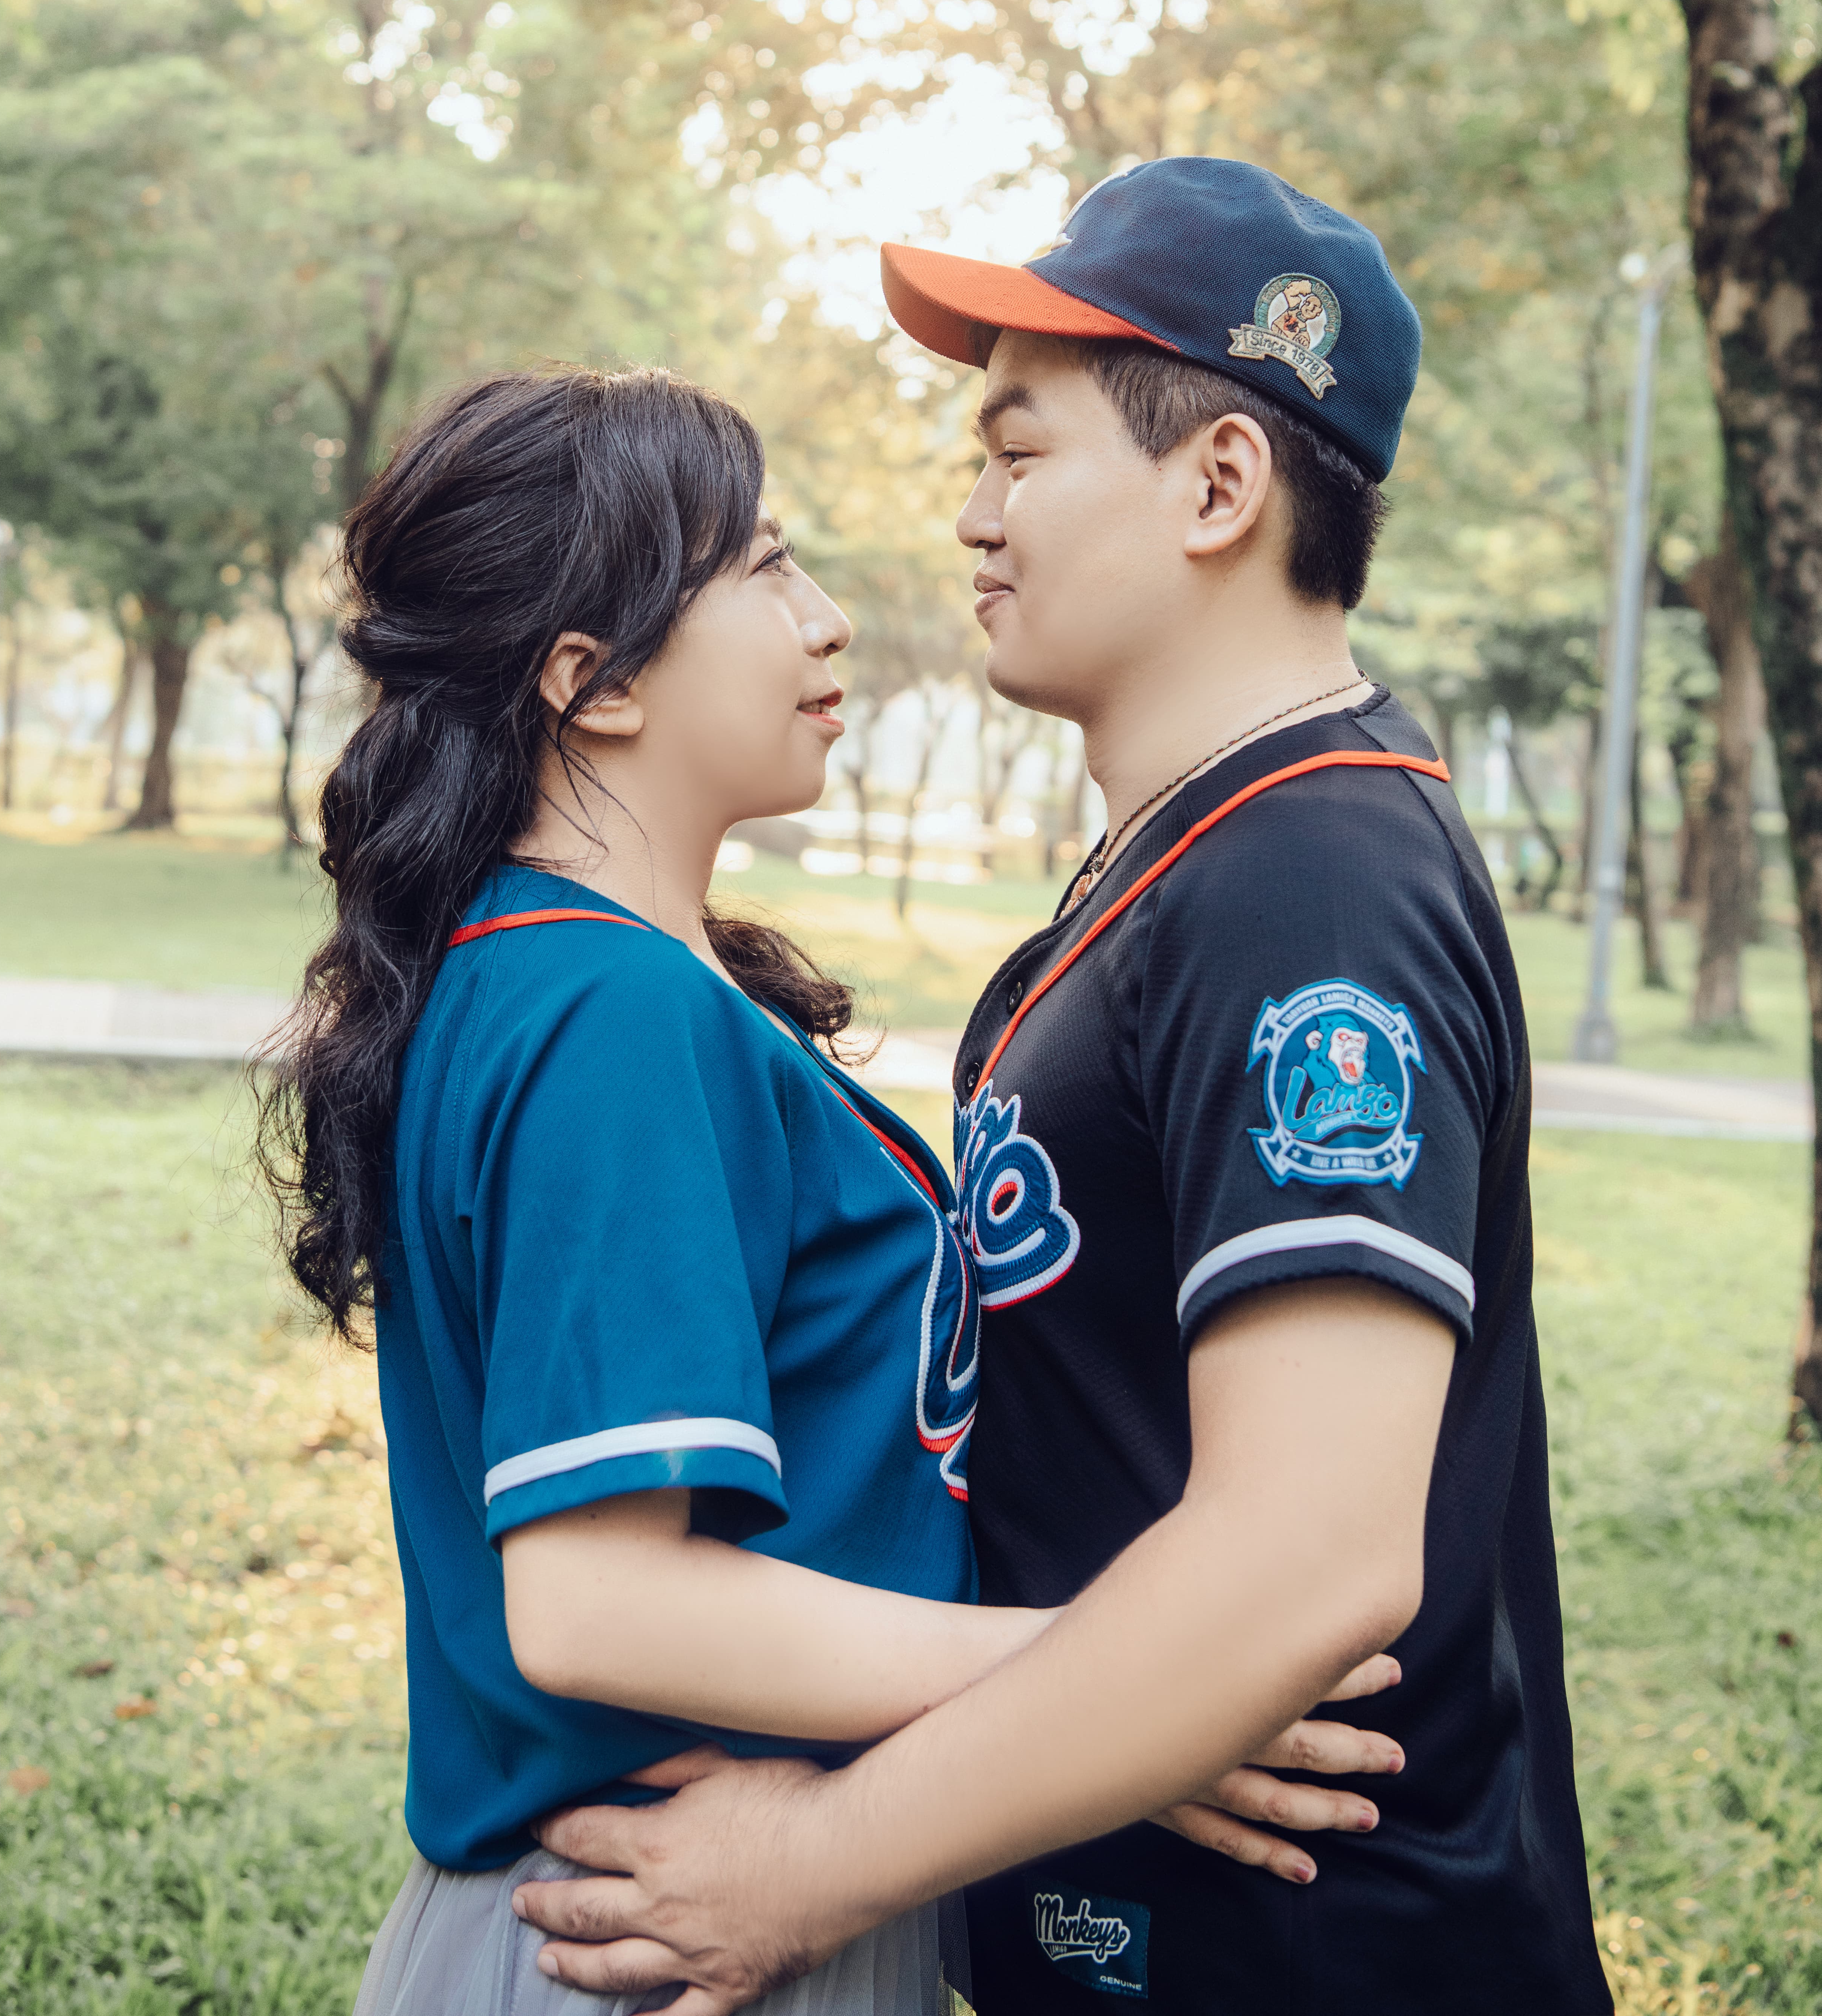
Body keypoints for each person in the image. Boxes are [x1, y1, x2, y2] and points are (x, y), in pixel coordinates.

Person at [516, 160, 1612, 2016]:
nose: (971, 515)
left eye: (1019, 454)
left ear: (1218, 486)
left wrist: (809, 1862)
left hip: (1317, 1960)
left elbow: (1308, 1557)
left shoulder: (1311, 881)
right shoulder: (1195, 859)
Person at [253, 360, 1400, 2016]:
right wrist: (1135, 1694)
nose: (829, 618)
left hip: (678, 1901)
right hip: (654, 1926)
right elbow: (596, 1603)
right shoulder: (606, 1009)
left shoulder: (568, 975)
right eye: (766, 567)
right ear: (594, 681)